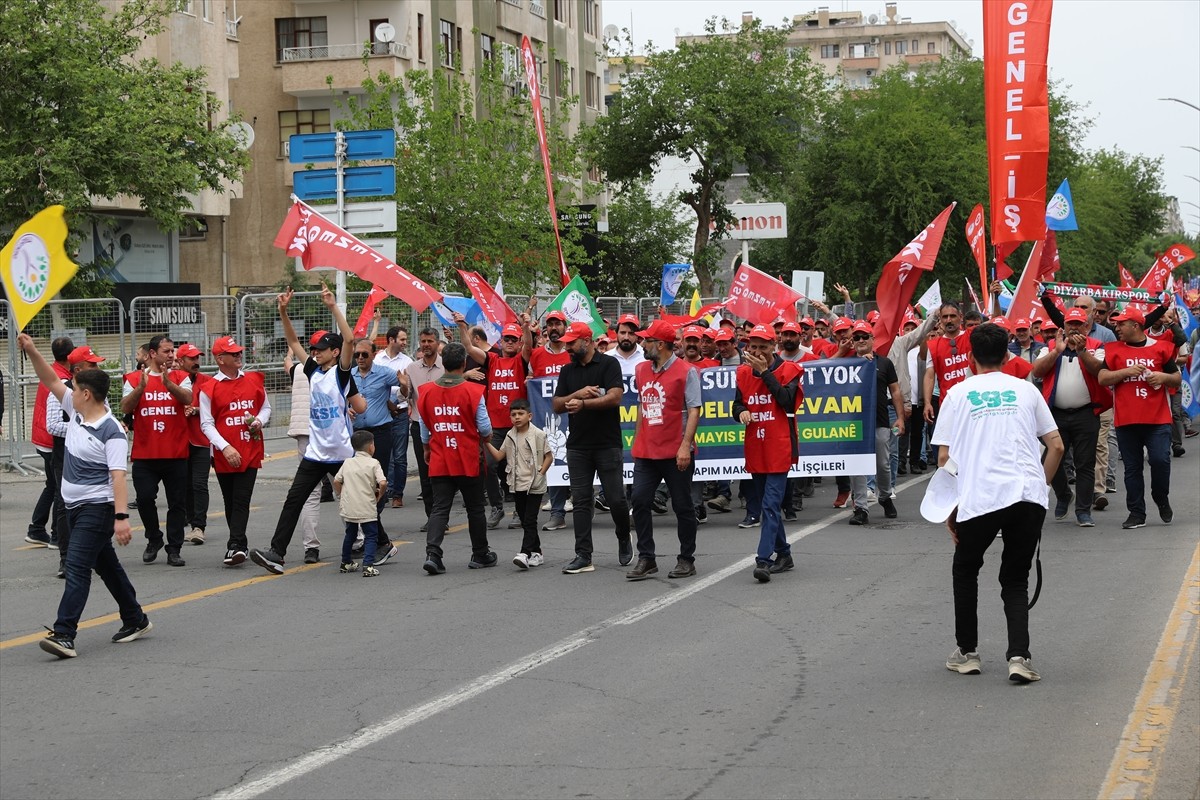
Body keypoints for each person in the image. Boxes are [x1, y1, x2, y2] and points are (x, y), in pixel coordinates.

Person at [935, 323, 1063, 684]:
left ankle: (967, 652)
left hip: (980, 495)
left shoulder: (957, 394)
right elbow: (1056, 445)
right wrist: (1040, 487)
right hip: (1026, 494)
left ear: (970, 357)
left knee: (966, 569)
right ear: (1007, 356)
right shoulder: (1026, 390)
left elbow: (944, 458)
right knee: (1015, 578)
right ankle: (1020, 657)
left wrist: (952, 509)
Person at [18, 333, 152, 660]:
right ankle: (135, 618)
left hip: (97, 509)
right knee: (106, 565)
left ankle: (64, 633)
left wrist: (121, 518)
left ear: (86, 394)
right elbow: (50, 379)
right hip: (73, 507)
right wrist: (32, 349)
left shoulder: (112, 431)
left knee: (77, 567)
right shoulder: (76, 413)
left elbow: (118, 477)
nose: (69, 391)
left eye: (75, 388)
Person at [250, 285, 369, 575]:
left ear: (335, 352)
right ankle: (276, 553)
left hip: (341, 453)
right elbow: (293, 341)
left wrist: (333, 307)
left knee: (356, 499)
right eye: (313, 349)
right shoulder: (312, 371)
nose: (315, 352)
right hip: (316, 453)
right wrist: (282, 311)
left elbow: (350, 339)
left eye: (321, 349)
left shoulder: (341, 375)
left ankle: (382, 543)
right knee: (294, 499)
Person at [553, 321, 633, 574]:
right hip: (578, 445)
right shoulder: (568, 370)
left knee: (616, 499)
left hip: (607, 443)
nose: (567, 347)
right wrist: (578, 394)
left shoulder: (609, 364)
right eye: (566, 343)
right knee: (581, 501)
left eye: (571, 342)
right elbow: (557, 404)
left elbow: (615, 397)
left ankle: (623, 536)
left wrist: (585, 404)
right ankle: (583, 555)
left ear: (586, 341)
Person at [626, 319, 702, 581]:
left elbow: (694, 410)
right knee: (639, 500)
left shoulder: (687, 371)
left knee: (682, 506)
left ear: (660, 344)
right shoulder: (641, 369)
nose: (642, 344)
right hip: (647, 451)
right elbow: (641, 406)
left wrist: (685, 446)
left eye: (647, 340)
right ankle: (647, 557)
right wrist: (637, 439)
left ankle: (686, 559)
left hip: (675, 451)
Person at [1098, 307, 1181, 529]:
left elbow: (1176, 378)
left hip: (1158, 419)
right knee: (1132, 468)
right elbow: (1102, 378)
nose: (1116, 327)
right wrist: (1125, 372)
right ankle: (1136, 513)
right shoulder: (1114, 350)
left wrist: (1162, 377)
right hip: (1126, 420)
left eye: (1121, 324)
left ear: (1135, 326)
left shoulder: (1161, 347)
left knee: (1160, 460)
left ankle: (1160, 496)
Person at [418, 343, 496, 574]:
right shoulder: (473, 391)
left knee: (440, 508)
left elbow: (424, 428)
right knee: (475, 507)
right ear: (464, 363)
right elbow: (485, 428)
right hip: (468, 458)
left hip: (440, 456)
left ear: (443, 363)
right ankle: (480, 554)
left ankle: (433, 554)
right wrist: (486, 437)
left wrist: (426, 448)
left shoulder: (426, 391)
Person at [734, 324, 803, 584]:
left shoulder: (790, 370)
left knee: (770, 505)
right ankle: (784, 554)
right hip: (756, 445)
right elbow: (736, 404)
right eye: (753, 347)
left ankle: (763, 560)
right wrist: (740, 411)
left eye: (763, 347)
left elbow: (787, 401)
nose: (757, 352)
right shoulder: (742, 373)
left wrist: (764, 373)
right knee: (767, 503)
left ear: (774, 346)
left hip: (780, 446)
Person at [1030, 307, 1111, 527]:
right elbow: (1037, 371)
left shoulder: (1097, 346)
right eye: (1070, 324)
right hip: (1055, 414)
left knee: (1085, 463)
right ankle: (1064, 494)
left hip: (1086, 413)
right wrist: (1057, 351)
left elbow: (1100, 371)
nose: (1074, 328)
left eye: (1078, 324)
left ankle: (1083, 511)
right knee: (1050, 459)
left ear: (1086, 326)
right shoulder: (1050, 346)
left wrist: (1082, 351)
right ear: (1064, 326)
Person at [120, 335, 192, 567]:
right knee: (144, 499)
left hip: (175, 453)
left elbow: (188, 398)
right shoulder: (134, 378)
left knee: (177, 503)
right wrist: (140, 388)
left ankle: (175, 548)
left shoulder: (180, 377)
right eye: (166, 351)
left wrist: (168, 383)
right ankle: (154, 538)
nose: (172, 355)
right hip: (145, 454)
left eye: (173, 351)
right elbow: (125, 406)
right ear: (152, 354)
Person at [199, 336, 270, 567]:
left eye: (239, 352)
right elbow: (206, 424)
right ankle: (241, 543)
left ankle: (236, 545)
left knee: (241, 498)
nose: (239, 355)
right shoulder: (209, 388)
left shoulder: (254, 380)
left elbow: (265, 408)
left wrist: (259, 421)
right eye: (233, 353)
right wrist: (225, 447)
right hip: (224, 454)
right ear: (220, 359)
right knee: (230, 500)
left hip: (250, 448)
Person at [458, 312, 532, 530]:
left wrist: (525, 327)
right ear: (500, 341)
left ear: (518, 343)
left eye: (513, 339)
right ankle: (497, 507)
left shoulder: (521, 361)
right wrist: (462, 326)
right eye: (506, 339)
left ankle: (519, 510)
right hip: (495, 427)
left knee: (519, 469)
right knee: (489, 466)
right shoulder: (492, 360)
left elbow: (529, 346)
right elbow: (469, 347)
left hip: (518, 426)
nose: (509, 342)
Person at [43, 345, 107, 578]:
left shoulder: (97, 392)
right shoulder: (62, 391)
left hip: (93, 456)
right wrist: (80, 427)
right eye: (93, 364)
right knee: (65, 505)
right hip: (65, 457)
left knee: (97, 502)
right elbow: (52, 425)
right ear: (78, 369)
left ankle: (96, 554)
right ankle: (66, 558)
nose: (97, 368)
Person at [349, 336, 405, 558]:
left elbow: (404, 391)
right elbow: (341, 397)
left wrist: (404, 385)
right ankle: (370, 531)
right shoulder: (349, 375)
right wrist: (346, 408)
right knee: (360, 482)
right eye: (357, 355)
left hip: (379, 433)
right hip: (356, 435)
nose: (360, 358)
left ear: (374, 354)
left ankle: (374, 523)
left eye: (365, 354)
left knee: (377, 480)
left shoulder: (385, 373)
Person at [485, 398, 553, 569]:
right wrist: (485, 442)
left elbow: (549, 456)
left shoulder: (538, 434)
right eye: (513, 414)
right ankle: (537, 552)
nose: (517, 417)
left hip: (534, 484)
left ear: (529, 416)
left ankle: (524, 553)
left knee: (530, 519)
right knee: (524, 519)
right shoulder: (510, 435)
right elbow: (499, 456)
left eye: (521, 414)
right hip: (517, 484)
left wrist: (540, 473)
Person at [847, 321, 903, 524]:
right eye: (857, 337)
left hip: (880, 420)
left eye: (865, 337)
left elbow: (895, 391)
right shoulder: (846, 364)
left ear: (873, 339)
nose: (861, 340)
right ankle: (861, 508)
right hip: (854, 423)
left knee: (882, 464)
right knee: (857, 466)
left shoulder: (885, 363)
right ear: (852, 341)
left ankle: (885, 496)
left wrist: (900, 417)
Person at [528, 310, 576, 532]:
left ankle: (584, 507)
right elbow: (531, 381)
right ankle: (557, 513)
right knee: (554, 462)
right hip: (549, 419)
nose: (554, 328)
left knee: (579, 464)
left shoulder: (573, 352)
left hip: (576, 416)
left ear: (565, 327)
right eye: (550, 324)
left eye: (558, 324)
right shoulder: (537, 355)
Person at [26, 336, 73, 550]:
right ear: (70, 357)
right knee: (57, 488)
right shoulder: (60, 379)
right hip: (50, 440)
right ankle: (55, 535)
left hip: (43, 436)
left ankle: (37, 529)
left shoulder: (52, 371)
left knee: (52, 485)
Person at [283, 348, 325, 562]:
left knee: (310, 492)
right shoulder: (331, 370)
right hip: (327, 433)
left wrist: (290, 354)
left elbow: (287, 366)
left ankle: (311, 547)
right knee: (344, 486)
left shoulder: (299, 369)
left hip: (303, 433)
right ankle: (358, 539)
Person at [405, 328, 445, 530]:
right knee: (425, 472)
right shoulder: (411, 368)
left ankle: (441, 516)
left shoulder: (446, 366)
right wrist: (403, 386)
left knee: (442, 473)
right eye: (423, 341)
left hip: (443, 426)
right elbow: (406, 396)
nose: (426, 344)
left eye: (430, 341)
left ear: (437, 343)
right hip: (419, 425)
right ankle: (432, 517)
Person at [333, 430, 388, 577]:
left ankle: (346, 562)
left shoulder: (347, 462)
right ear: (371, 447)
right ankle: (368, 565)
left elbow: (336, 481)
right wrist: (380, 494)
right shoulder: (373, 463)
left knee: (350, 534)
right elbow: (383, 482)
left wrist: (341, 494)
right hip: (366, 505)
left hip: (349, 505)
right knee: (371, 535)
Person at [372, 324, 413, 508]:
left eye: (405, 339)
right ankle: (386, 489)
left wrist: (397, 400)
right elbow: (375, 385)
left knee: (400, 456)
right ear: (391, 340)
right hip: (383, 413)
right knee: (384, 454)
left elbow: (408, 388)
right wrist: (388, 403)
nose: (405, 343)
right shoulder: (378, 360)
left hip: (401, 413)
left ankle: (398, 494)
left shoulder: (407, 362)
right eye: (402, 339)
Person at [176, 343, 212, 545]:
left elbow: (215, 406)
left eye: (197, 357)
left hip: (201, 441)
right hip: (179, 441)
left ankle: (199, 526)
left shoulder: (207, 381)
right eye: (192, 358)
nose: (196, 361)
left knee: (199, 484)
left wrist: (197, 410)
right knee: (184, 485)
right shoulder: (172, 380)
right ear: (181, 361)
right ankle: (188, 519)